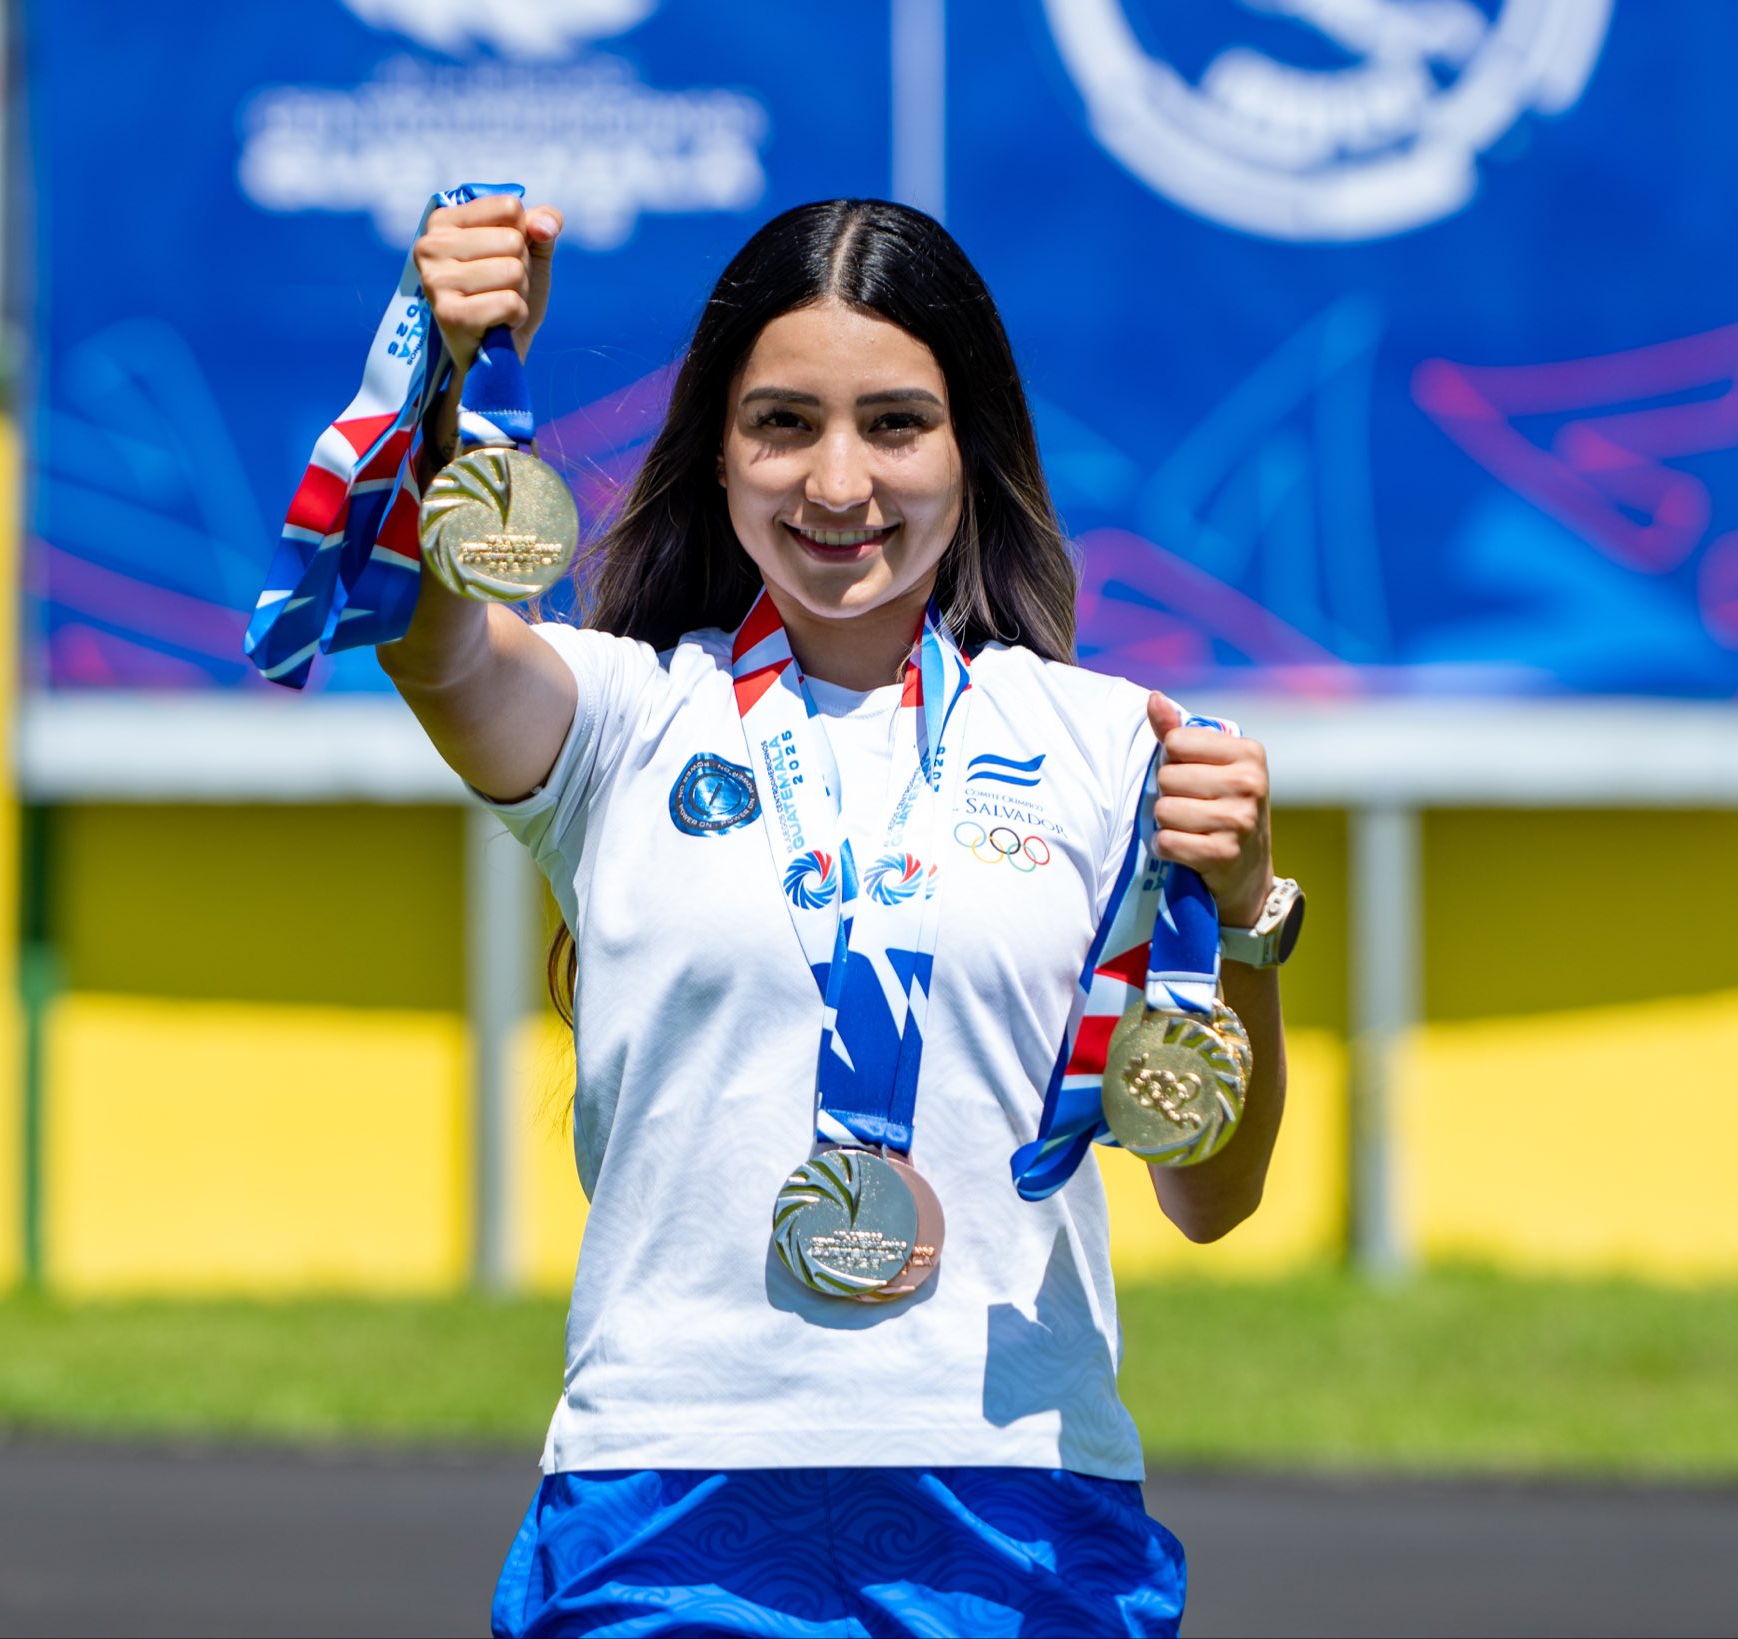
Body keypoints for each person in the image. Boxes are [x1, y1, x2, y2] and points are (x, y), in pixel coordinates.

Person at [379, 191, 1291, 1638]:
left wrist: (1242, 924)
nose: (840, 482)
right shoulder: (621, 716)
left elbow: (1209, 1191)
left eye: (896, 424)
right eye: (785, 422)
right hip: (663, 1498)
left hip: (1015, 1505)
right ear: (720, 449)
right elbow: (429, 638)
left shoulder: (1116, 748)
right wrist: (445, 374)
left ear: (971, 447)